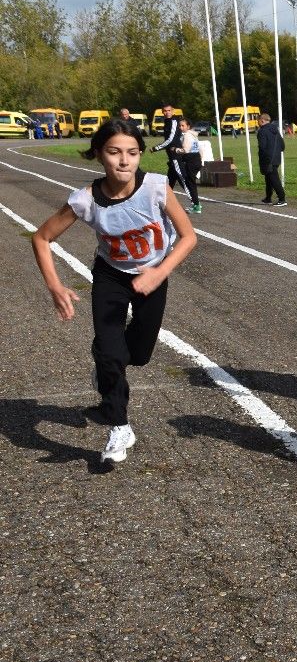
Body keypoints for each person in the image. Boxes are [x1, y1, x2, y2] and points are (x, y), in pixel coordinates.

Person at [30, 120, 197, 463]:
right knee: (110, 351)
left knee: (137, 355)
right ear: (98, 155)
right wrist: (55, 286)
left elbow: (189, 237)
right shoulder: (85, 200)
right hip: (111, 276)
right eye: (114, 152)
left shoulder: (155, 188)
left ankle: (107, 360)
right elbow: (41, 238)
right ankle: (119, 424)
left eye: (132, 153)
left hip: (154, 272)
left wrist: (159, 272)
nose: (124, 161)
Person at [150, 103, 184, 194]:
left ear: (172, 111)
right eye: (165, 111)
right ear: (162, 112)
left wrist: (156, 148)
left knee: (183, 180)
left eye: (169, 110)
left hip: (176, 155)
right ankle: (165, 201)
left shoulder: (174, 121)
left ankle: (195, 203)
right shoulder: (167, 122)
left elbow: (171, 140)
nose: (167, 112)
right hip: (171, 156)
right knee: (169, 181)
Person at [256, 112, 286, 207]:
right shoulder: (275, 130)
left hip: (268, 158)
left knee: (274, 179)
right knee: (268, 178)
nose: (258, 123)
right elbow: (282, 145)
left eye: (258, 121)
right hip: (276, 157)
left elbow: (262, 146)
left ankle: (282, 199)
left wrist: (264, 157)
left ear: (262, 120)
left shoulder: (262, 131)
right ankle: (268, 197)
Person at [173, 118, 202, 214]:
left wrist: (175, 149)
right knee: (190, 182)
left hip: (191, 160)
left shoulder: (187, 136)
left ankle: (196, 205)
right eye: (179, 126)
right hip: (196, 159)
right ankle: (196, 204)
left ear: (188, 126)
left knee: (190, 183)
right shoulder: (193, 135)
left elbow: (185, 150)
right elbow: (199, 148)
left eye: (183, 126)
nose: (181, 127)